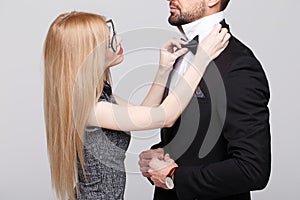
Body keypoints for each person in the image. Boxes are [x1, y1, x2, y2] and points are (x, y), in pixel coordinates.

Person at [43, 11, 230, 200]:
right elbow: (165, 116)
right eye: (109, 41)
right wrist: (200, 60)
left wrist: (163, 70)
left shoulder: (101, 95)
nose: (119, 39)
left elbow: (144, 113)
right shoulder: (93, 109)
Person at [138, 0, 271, 200]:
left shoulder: (238, 65)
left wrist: (174, 175)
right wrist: (159, 155)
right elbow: (195, 136)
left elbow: (252, 169)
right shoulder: (180, 54)